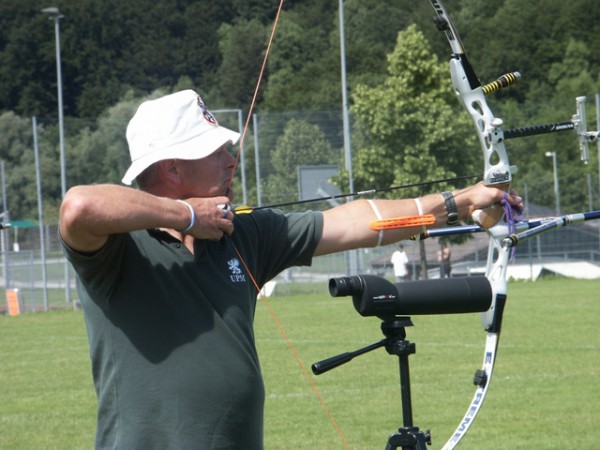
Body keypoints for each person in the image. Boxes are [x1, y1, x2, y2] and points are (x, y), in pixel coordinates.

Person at [59, 89, 522, 449]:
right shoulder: (116, 249)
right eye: (215, 150)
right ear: (173, 169)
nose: (230, 158)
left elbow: (361, 222)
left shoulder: (244, 233)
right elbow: (79, 207)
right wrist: (186, 216)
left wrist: (458, 203)